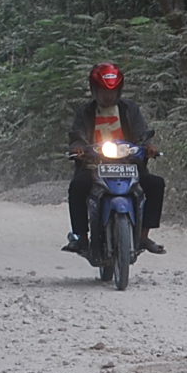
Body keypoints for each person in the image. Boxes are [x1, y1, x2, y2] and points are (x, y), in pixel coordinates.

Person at [65, 62, 166, 256]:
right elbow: (76, 135)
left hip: (129, 165)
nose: (108, 96)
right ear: (94, 91)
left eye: (112, 92)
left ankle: (143, 235)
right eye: (103, 91)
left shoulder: (130, 109)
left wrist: (148, 147)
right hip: (93, 165)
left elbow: (142, 133)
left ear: (119, 91)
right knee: (77, 186)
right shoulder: (85, 112)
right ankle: (81, 238)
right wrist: (78, 148)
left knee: (156, 184)